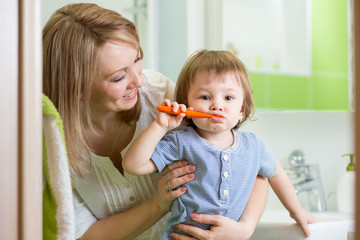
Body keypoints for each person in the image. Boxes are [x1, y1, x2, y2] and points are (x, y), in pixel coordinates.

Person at [42, 3, 270, 240]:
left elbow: (251, 162)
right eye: (119, 77)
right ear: (75, 87)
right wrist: (159, 203)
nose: (139, 82)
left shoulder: (163, 96)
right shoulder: (51, 142)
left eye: (136, 60)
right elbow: (80, 235)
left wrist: (245, 228)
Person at [123, 49, 317, 240]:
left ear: (242, 108)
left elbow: (276, 175)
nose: (217, 105)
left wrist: (296, 211)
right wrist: (160, 125)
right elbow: (133, 165)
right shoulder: (179, 142)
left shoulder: (254, 147)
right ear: (186, 104)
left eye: (228, 98)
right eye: (205, 97)